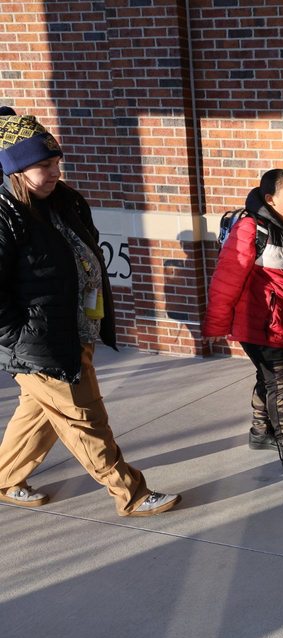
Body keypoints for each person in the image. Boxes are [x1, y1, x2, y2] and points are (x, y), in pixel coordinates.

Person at [0, 110, 180, 516]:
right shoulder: (5, 214)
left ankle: (5, 476)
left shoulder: (64, 201)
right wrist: (19, 338)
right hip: (41, 341)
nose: (54, 172)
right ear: (16, 170)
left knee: (38, 414)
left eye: (56, 163)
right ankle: (130, 493)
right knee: (85, 419)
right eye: (43, 166)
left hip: (74, 328)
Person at [202, 169, 283, 478]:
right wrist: (217, 325)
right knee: (282, 384)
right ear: (271, 200)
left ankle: (261, 431)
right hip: (261, 325)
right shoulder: (251, 229)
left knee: (270, 380)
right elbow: (226, 279)